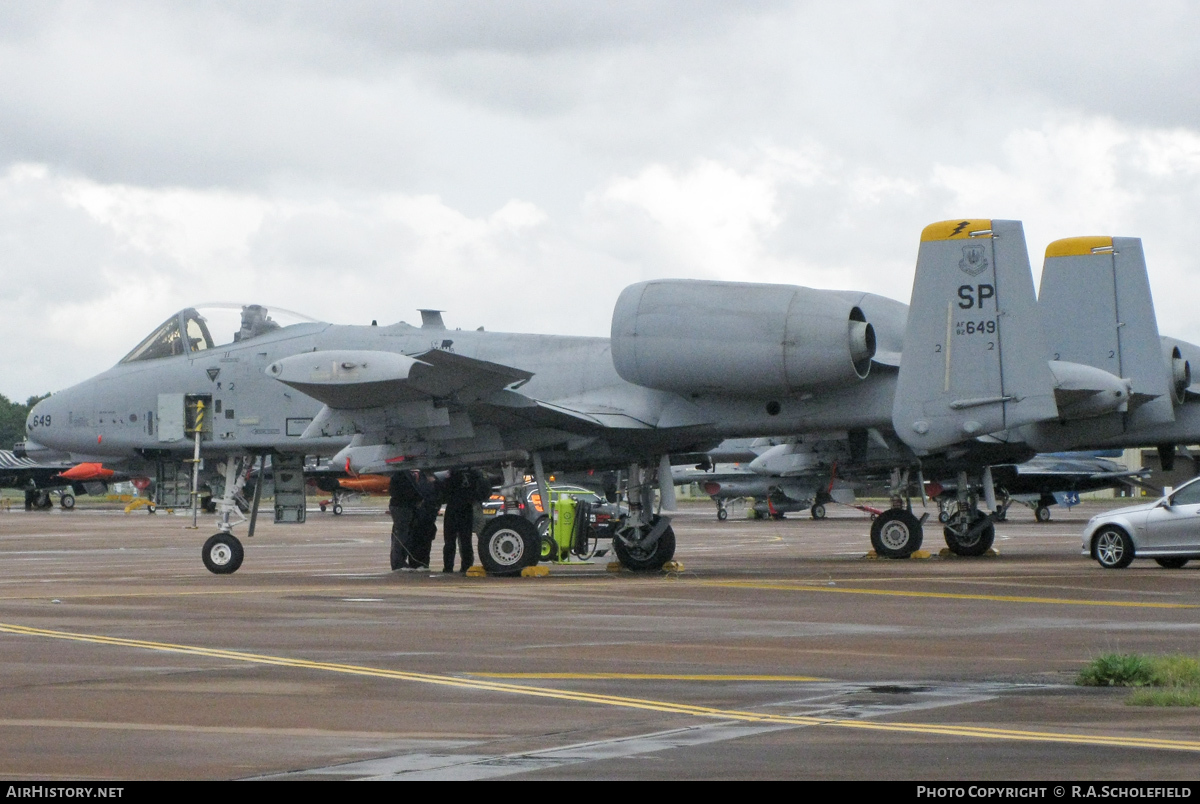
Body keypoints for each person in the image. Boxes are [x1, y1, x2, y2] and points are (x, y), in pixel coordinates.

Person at [443, 469, 489, 573]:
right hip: (467, 506)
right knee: (465, 539)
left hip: (454, 506)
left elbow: (445, 488)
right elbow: (483, 489)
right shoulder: (475, 473)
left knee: (450, 540)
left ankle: (448, 567)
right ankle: (466, 565)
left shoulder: (453, 472)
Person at [388, 471, 424, 571]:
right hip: (402, 507)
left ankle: (400, 561)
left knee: (403, 534)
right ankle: (398, 563)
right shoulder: (400, 475)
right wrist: (418, 498)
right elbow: (405, 491)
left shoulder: (403, 475)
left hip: (403, 506)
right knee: (401, 535)